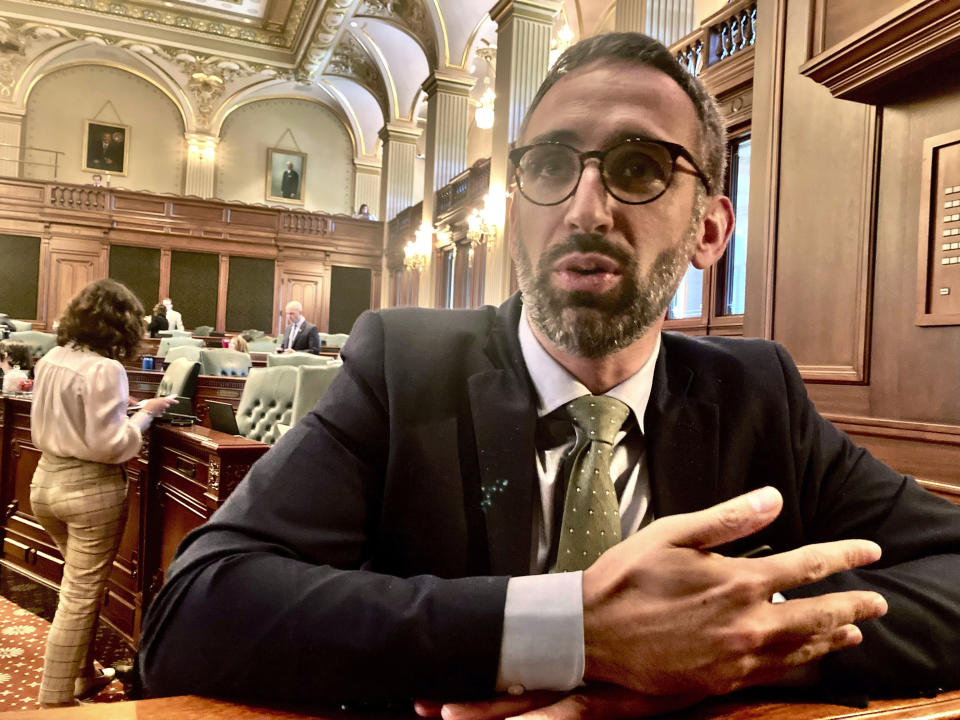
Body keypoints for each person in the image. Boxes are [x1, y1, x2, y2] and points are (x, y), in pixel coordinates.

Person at [138, 33, 960, 715]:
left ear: (711, 230)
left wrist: (741, 650)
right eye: (549, 165)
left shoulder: (756, 393)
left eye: (639, 167)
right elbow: (195, 613)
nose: (584, 207)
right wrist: (569, 632)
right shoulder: (405, 365)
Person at [30, 279, 176, 708]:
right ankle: (54, 700)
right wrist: (144, 417)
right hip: (89, 489)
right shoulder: (105, 369)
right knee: (80, 595)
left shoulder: (51, 358)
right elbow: (112, 446)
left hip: (45, 484)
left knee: (77, 588)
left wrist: (125, 417)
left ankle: (81, 676)